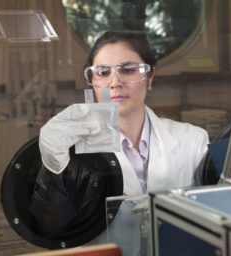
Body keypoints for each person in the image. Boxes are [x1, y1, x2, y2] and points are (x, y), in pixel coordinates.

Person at [29, 31, 217, 247]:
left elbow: (216, 217)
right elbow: (51, 228)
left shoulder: (191, 141)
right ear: (92, 82)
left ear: (150, 77)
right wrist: (52, 170)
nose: (115, 83)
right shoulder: (74, 150)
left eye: (128, 70)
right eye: (103, 72)